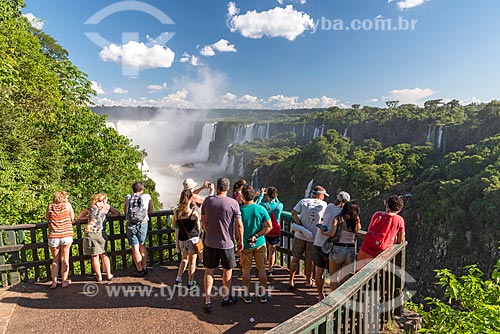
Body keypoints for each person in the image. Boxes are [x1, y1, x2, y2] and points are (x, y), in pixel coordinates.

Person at [201, 178, 244, 313]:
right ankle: (225, 297)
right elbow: (239, 224)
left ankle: (207, 300)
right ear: (227, 187)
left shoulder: (208, 201)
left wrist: (207, 230)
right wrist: (240, 240)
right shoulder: (233, 203)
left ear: (217, 187)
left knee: (209, 271)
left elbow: (203, 220)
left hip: (210, 242)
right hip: (227, 243)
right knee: (227, 270)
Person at [288, 185, 328, 289]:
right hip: (313, 237)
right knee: (309, 260)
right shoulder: (324, 204)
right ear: (320, 195)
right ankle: (308, 281)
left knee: (295, 257)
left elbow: (293, 213)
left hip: (299, 234)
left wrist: (300, 224)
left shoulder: (303, 201)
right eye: (324, 195)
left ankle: (291, 280)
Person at [313, 191, 350, 300]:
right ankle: (333, 298)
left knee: (319, 271)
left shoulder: (329, 206)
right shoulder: (346, 214)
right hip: (334, 245)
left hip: (319, 242)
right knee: (335, 274)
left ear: (337, 198)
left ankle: (320, 296)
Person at [239, 185, 272, 303]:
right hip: (259, 243)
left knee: (246, 270)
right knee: (261, 269)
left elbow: (237, 228)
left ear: (242, 196)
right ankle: (263, 295)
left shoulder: (240, 210)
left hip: (245, 245)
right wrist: (257, 236)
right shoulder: (261, 209)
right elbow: (269, 226)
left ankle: (247, 295)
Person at [356, 195, 405, 271]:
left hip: (365, 247)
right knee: (371, 277)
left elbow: (370, 229)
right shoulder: (399, 220)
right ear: (399, 209)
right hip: (379, 253)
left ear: (387, 205)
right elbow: (400, 240)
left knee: (358, 274)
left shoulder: (377, 214)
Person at [80, 193, 120, 283]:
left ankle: (99, 277)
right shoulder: (107, 207)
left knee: (94, 256)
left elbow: (79, 216)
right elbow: (117, 213)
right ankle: (109, 275)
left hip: (90, 233)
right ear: (104, 199)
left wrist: (89, 218)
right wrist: (106, 216)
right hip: (101, 232)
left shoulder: (91, 207)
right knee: (104, 254)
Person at [321, 201, 361, 290]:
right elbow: (358, 230)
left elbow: (332, 234)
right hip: (351, 250)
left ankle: (335, 302)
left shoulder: (338, 219)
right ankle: (344, 302)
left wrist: (323, 231)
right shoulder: (356, 220)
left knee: (334, 278)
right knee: (345, 278)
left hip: (338, 248)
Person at [172, 189, 201, 289]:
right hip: (192, 239)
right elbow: (198, 228)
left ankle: (178, 279)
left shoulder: (176, 212)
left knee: (184, 259)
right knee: (192, 262)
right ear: (190, 199)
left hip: (182, 239)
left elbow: (173, 226)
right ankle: (190, 283)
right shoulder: (193, 213)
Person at [46, 191, 74, 288]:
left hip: (54, 236)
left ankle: (54, 282)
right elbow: (72, 218)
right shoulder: (67, 205)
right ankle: (64, 281)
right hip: (66, 234)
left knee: (55, 260)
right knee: (64, 259)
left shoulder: (50, 207)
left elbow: (47, 219)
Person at [124, 181, 153, 277]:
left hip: (131, 224)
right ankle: (144, 267)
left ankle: (139, 270)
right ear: (142, 189)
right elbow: (151, 210)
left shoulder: (128, 197)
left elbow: (125, 210)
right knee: (142, 245)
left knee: (135, 248)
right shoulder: (147, 196)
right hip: (143, 223)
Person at [256, 186, 283, 275]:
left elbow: (257, 204)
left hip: (266, 229)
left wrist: (260, 195)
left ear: (267, 195)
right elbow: (278, 202)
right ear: (276, 195)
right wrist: (276, 197)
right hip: (275, 230)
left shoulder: (264, 205)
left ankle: (262, 267)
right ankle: (270, 268)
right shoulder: (280, 206)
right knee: (272, 251)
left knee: (264, 249)